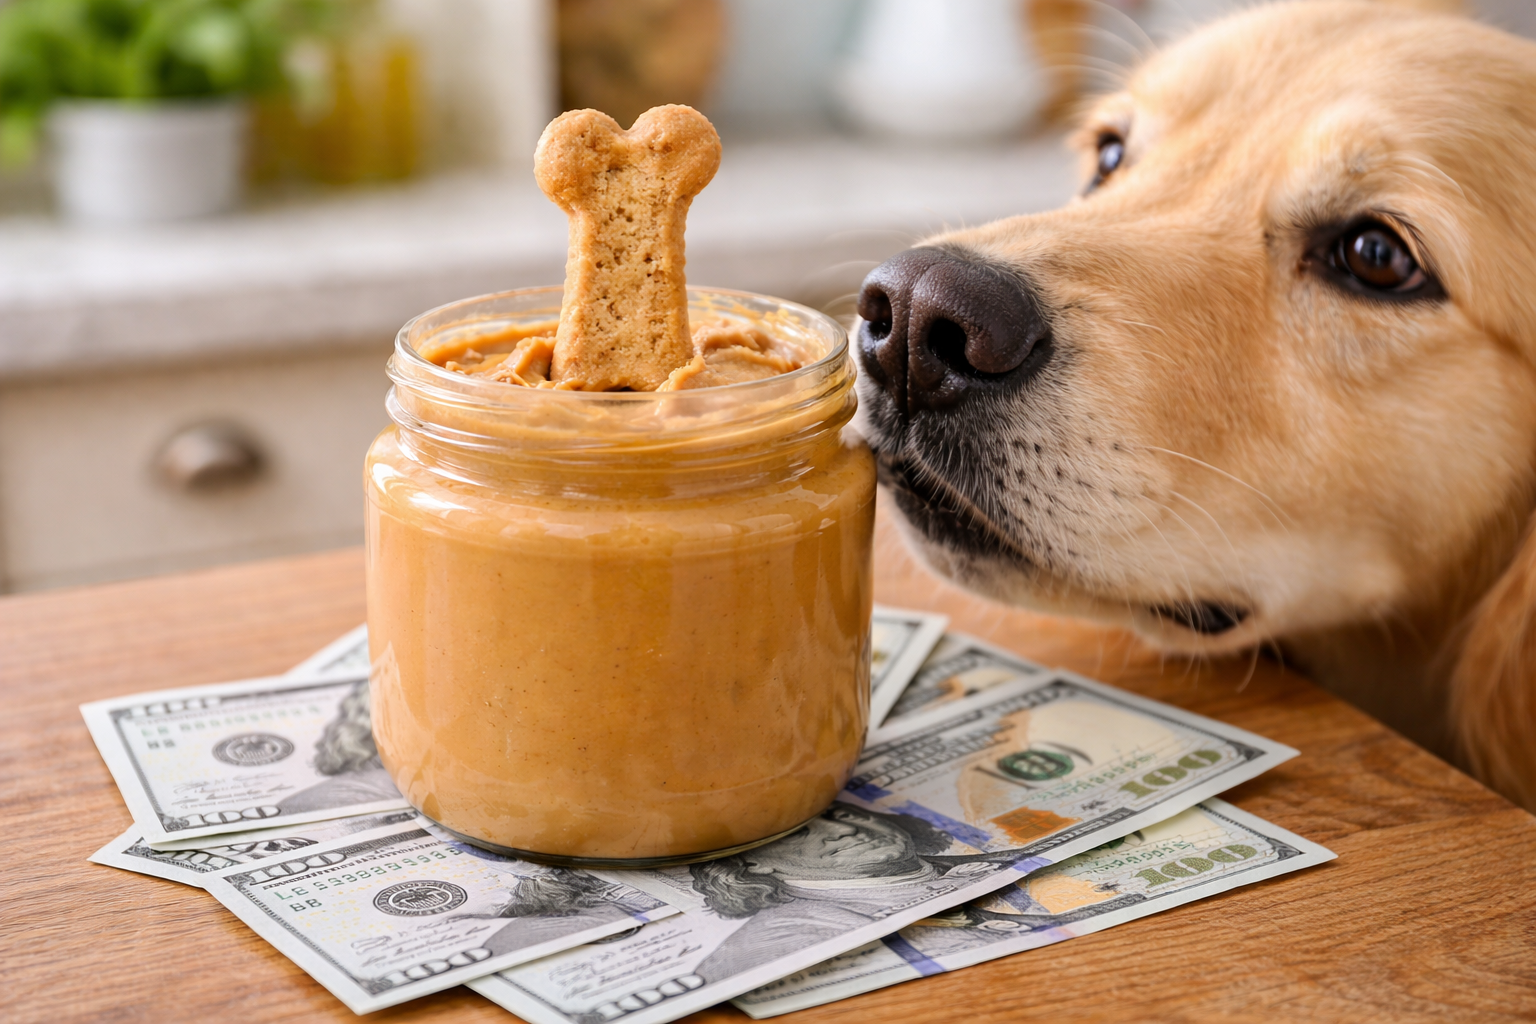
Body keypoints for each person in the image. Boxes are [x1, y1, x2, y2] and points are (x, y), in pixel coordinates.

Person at [689, 802, 1025, 980]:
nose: (845, 830)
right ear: (751, 864)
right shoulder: (781, 938)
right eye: (798, 833)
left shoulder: (1018, 861)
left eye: (845, 813)